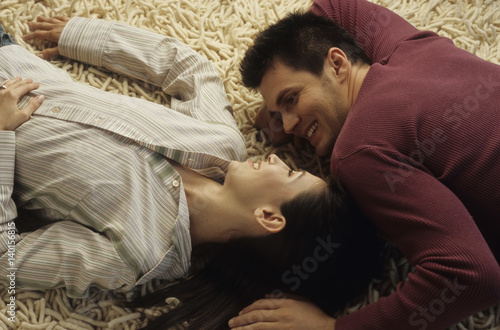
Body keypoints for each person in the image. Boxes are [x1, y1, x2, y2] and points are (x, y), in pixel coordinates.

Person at [0, 17, 382, 329]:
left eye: (291, 175)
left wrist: (1, 136)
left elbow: (8, 259)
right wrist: (82, 35)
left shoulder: (140, 252)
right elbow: (192, 68)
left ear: (268, 217)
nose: (278, 159)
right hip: (11, 59)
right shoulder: (221, 143)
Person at [231, 1, 500, 329]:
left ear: (337, 63)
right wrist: (284, 101)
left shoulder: (357, 153)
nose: (285, 127)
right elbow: (334, 7)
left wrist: (333, 328)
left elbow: (470, 275)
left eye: (291, 99)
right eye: (278, 114)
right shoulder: (412, 47)